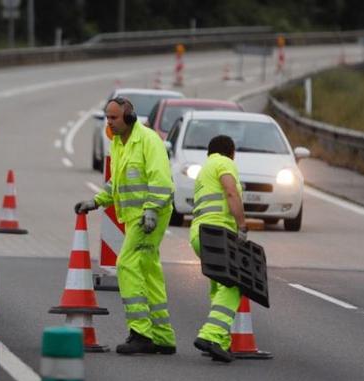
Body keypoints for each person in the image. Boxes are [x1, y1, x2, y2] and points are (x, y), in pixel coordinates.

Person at [74, 96, 176, 355]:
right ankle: (163, 337)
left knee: (126, 264)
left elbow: (161, 180)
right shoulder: (118, 143)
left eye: (114, 118)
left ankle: (141, 333)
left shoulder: (149, 141)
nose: (109, 123)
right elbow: (116, 183)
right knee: (148, 271)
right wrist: (96, 201)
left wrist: (151, 210)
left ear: (128, 118)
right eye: (107, 117)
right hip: (134, 217)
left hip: (148, 215)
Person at [189, 135, 248, 363]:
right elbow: (231, 192)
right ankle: (210, 335)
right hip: (218, 233)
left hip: (199, 234)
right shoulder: (224, 163)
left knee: (219, 286)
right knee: (233, 284)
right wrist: (242, 225)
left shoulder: (205, 169)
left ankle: (221, 343)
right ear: (231, 152)